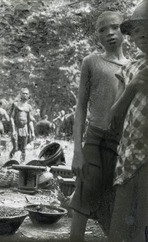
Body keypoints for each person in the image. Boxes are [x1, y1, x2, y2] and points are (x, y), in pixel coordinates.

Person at [69, 11, 128, 241]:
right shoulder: (91, 62)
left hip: (122, 146)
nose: (109, 33)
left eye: (114, 27)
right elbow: (81, 108)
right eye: (102, 29)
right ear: (97, 36)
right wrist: (77, 152)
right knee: (82, 204)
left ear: (125, 30)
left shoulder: (136, 66)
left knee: (114, 206)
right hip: (94, 140)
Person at [108, 2, 148, 241]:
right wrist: (133, 86)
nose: (143, 34)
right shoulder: (130, 69)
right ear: (131, 36)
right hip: (131, 156)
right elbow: (114, 115)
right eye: (136, 30)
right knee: (126, 226)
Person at [9, 88, 35, 162]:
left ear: (28, 95)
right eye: (23, 93)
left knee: (24, 148)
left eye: (27, 93)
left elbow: (30, 120)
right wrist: (13, 130)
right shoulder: (15, 104)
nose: (25, 95)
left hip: (25, 128)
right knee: (16, 148)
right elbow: (11, 117)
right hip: (16, 127)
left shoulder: (29, 106)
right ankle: (9, 161)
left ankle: (22, 163)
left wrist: (33, 132)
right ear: (20, 94)